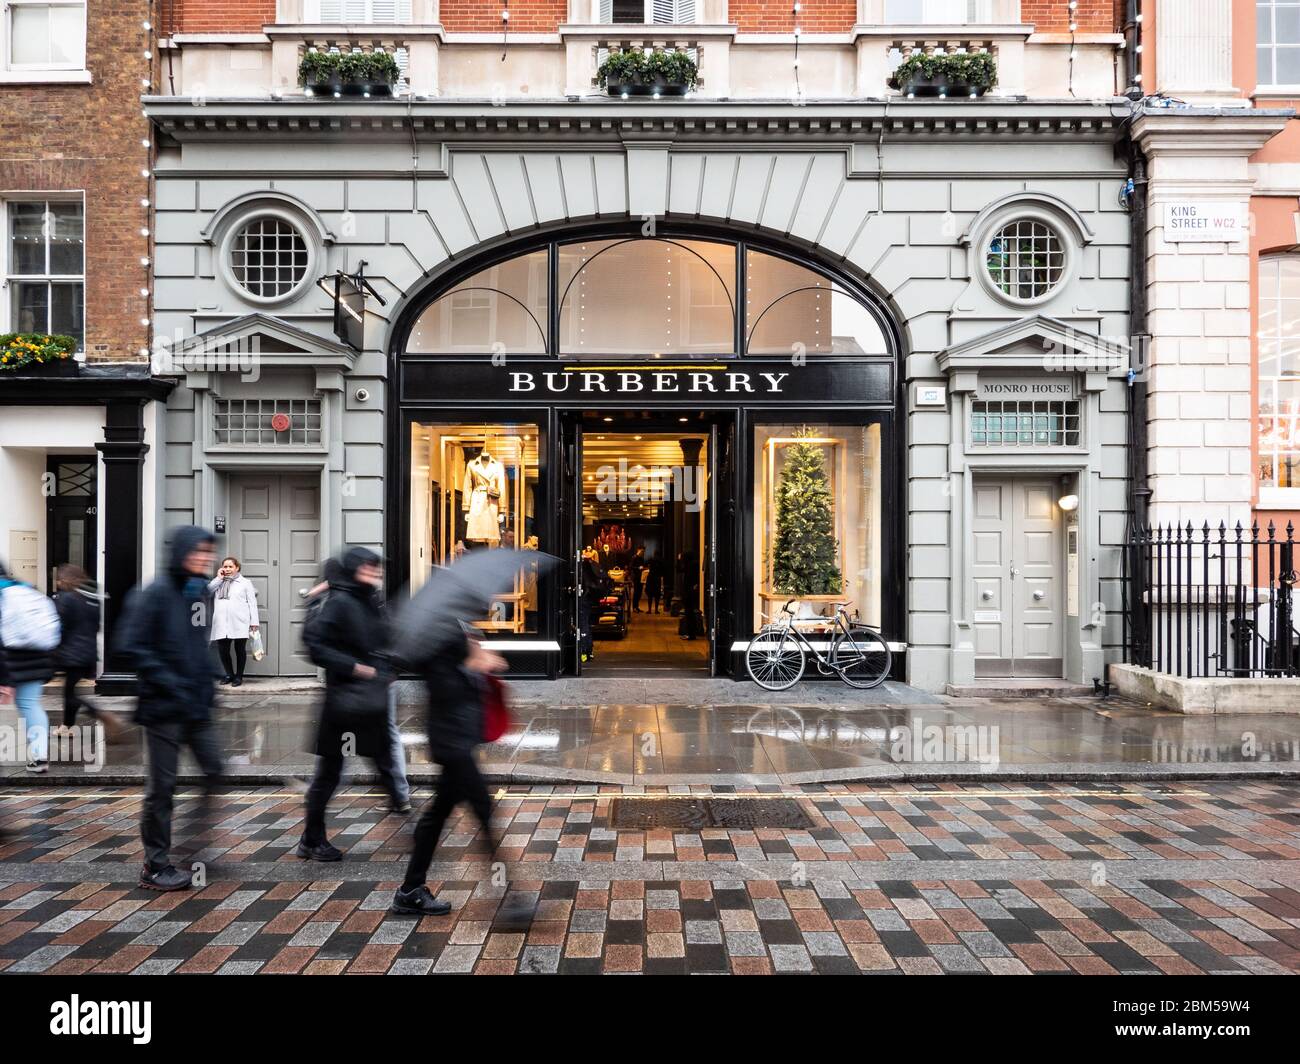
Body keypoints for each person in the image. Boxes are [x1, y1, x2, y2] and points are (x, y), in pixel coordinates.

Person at [119, 526, 224, 891]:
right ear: (181, 552)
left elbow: (198, 643)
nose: (204, 558)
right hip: (163, 707)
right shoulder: (154, 594)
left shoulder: (199, 592)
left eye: (208, 553)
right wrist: (170, 681)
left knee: (215, 769)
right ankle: (155, 864)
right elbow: (131, 646)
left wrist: (211, 675)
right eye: (197, 552)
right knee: (162, 788)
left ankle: (192, 841)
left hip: (195, 705)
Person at [299, 547, 408, 862]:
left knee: (384, 761)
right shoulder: (340, 603)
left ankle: (410, 823)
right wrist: (355, 668)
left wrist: (389, 669)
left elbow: (383, 642)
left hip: (369, 701)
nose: (375, 572)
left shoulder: (370, 601)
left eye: (377, 567)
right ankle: (311, 839)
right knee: (329, 775)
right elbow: (315, 647)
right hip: (343, 704)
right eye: (368, 567)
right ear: (353, 569)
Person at [393, 626, 505, 915]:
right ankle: (510, 898)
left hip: (459, 740)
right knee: (483, 808)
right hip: (452, 742)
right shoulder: (436, 636)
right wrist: (475, 661)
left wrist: (480, 658)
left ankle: (410, 890)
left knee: (436, 817)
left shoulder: (454, 627)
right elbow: (445, 687)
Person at [53, 564, 123, 741]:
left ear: (65, 580)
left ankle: (102, 714)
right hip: (89, 652)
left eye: (59, 579)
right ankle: (66, 727)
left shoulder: (66, 599)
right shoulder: (92, 600)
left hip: (71, 653)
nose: (58, 582)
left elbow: (59, 625)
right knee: (70, 691)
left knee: (70, 694)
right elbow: (98, 625)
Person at [0, 562, 56, 773]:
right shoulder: (26, 590)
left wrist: (4, 680)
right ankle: (40, 756)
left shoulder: (2, 596)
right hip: (36, 657)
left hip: (7, 659)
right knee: (30, 704)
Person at [209, 556, 259, 687]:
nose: (227, 569)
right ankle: (229, 674)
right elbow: (207, 591)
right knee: (223, 650)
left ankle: (239, 676)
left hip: (239, 621)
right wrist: (219, 578)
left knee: (239, 649)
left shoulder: (245, 583)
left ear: (237, 568)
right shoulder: (218, 582)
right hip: (221, 622)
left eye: (230, 566)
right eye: (225, 566)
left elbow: (252, 604)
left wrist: (254, 622)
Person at [578, 546, 606, 664]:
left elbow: (582, 584)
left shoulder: (582, 567)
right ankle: (589, 651)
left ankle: (583, 652)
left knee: (583, 624)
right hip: (590, 599)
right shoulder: (594, 566)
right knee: (587, 624)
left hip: (583, 599)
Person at [630, 547, 646, 613]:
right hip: (636, 577)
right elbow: (631, 567)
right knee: (636, 593)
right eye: (642, 551)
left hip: (641, 577)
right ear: (638, 550)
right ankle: (634, 607)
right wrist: (638, 568)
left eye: (643, 552)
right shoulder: (634, 557)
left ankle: (637, 607)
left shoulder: (641, 558)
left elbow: (642, 566)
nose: (643, 553)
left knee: (639, 593)